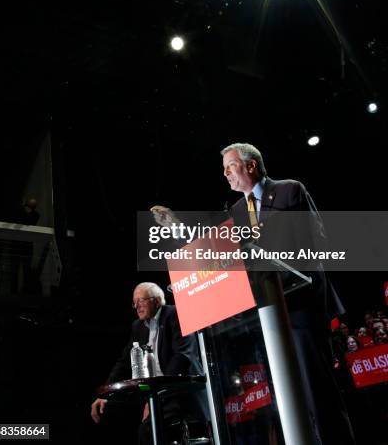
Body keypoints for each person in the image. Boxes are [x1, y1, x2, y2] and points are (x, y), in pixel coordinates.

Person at [152, 142, 355, 444]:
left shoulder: (289, 190)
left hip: (300, 306)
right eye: (223, 170)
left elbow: (317, 241)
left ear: (251, 165)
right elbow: (237, 256)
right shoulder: (234, 210)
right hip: (264, 316)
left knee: (317, 391)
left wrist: (280, 262)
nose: (226, 175)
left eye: (230, 167)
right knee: (285, 398)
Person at [91, 281, 207, 444]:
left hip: (180, 391)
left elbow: (183, 356)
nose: (137, 306)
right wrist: (104, 396)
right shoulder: (138, 327)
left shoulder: (176, 314)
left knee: (147, 433)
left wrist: (160, 394)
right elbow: (124, 361)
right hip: (156, 394)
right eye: (135, 302)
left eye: (142, 300)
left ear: (157, 301)